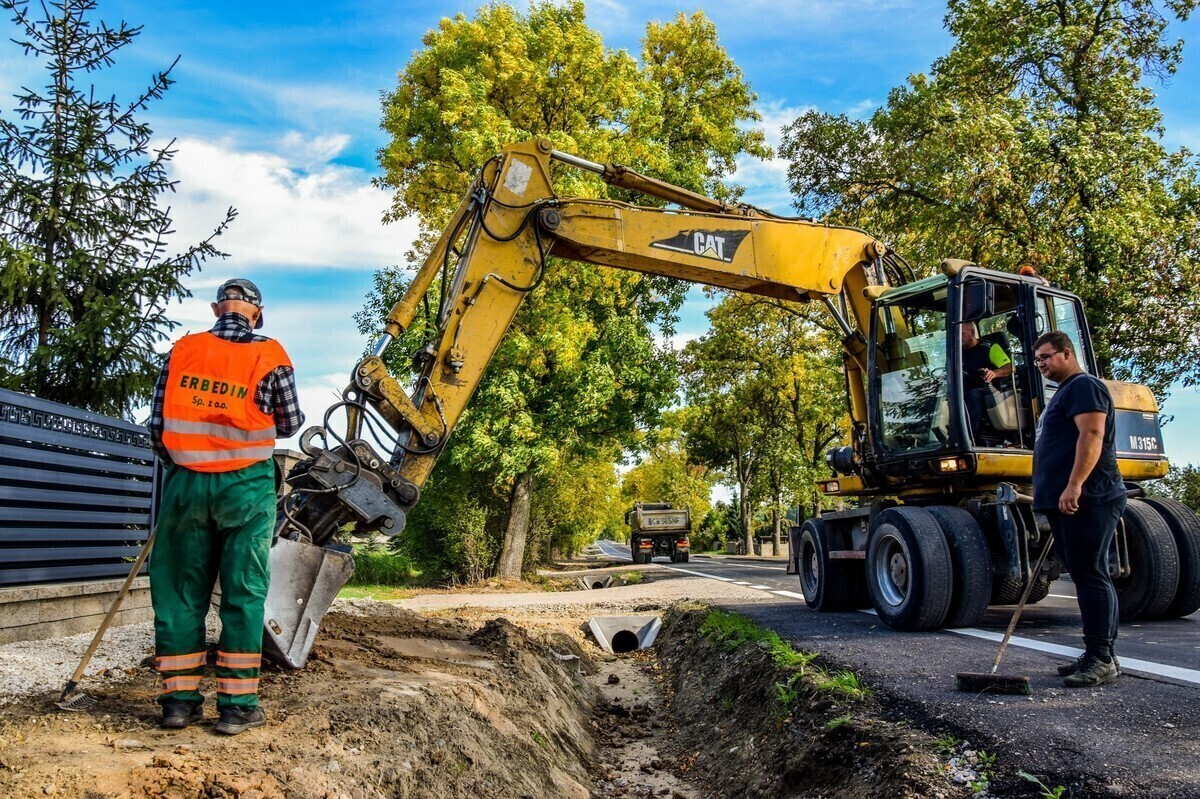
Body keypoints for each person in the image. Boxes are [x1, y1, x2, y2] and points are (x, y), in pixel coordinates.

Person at [147, 278, 304, 733]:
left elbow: (157, 428)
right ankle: (236, 708)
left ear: (218, 308)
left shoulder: (182, 351)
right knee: (243, 594)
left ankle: (178, 704)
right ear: (257, 313)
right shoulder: (269, 354)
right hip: (246, 489)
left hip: (186, 486)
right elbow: (291, 423)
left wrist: (187, 465)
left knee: (178, 595)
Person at [1031, 330, 1126, 687]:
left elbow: (1092, 436)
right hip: (1068, 498)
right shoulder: (1064, 393)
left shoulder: (1084, 386)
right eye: (1038, 359)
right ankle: (1100, 655)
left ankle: (1101, 656)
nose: (1041, 364)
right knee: (1088, 573)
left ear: (1067, 354)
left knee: (1090, 574)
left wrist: (1074, 486)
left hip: (1090, 496)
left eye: (1047, 357)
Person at [961, 321, 1013, 440]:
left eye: (962, 333)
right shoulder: (956, 353)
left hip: (989, 391)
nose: (958, 338)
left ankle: (969, 437)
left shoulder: (990, 348)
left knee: (974, 395)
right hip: (963, 391)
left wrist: (994, 373)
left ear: (972, 332)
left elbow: (1010, 367)